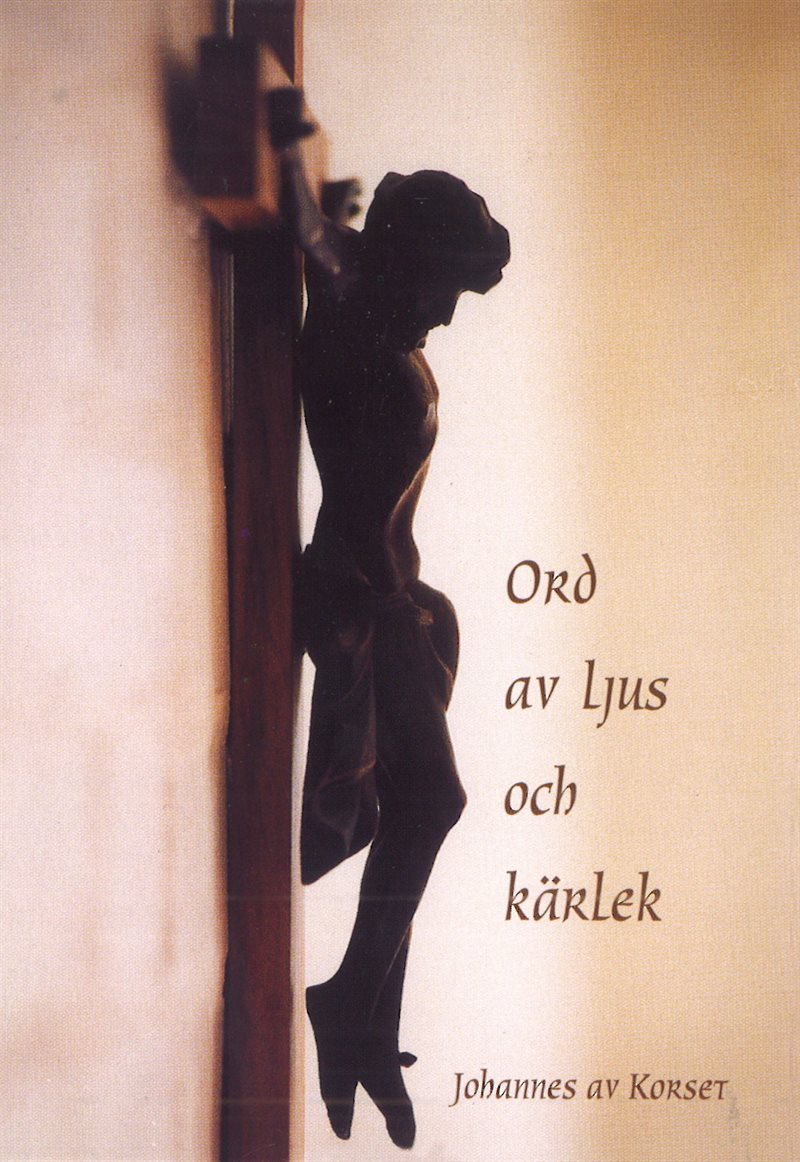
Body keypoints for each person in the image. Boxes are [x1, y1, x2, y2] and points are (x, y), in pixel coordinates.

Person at [273, 98, 510, 1148]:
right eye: (444, 288)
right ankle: (347, 1005)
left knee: (420, 798)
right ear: (402, 263)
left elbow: (322, 223)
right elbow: (301, 222)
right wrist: (285, 141)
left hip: (400, 600)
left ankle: (369, 1017)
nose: (448, 317)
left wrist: (320, 179)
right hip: (361, 593)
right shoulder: (346, 300)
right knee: (435, 798)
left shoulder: (372, 304)